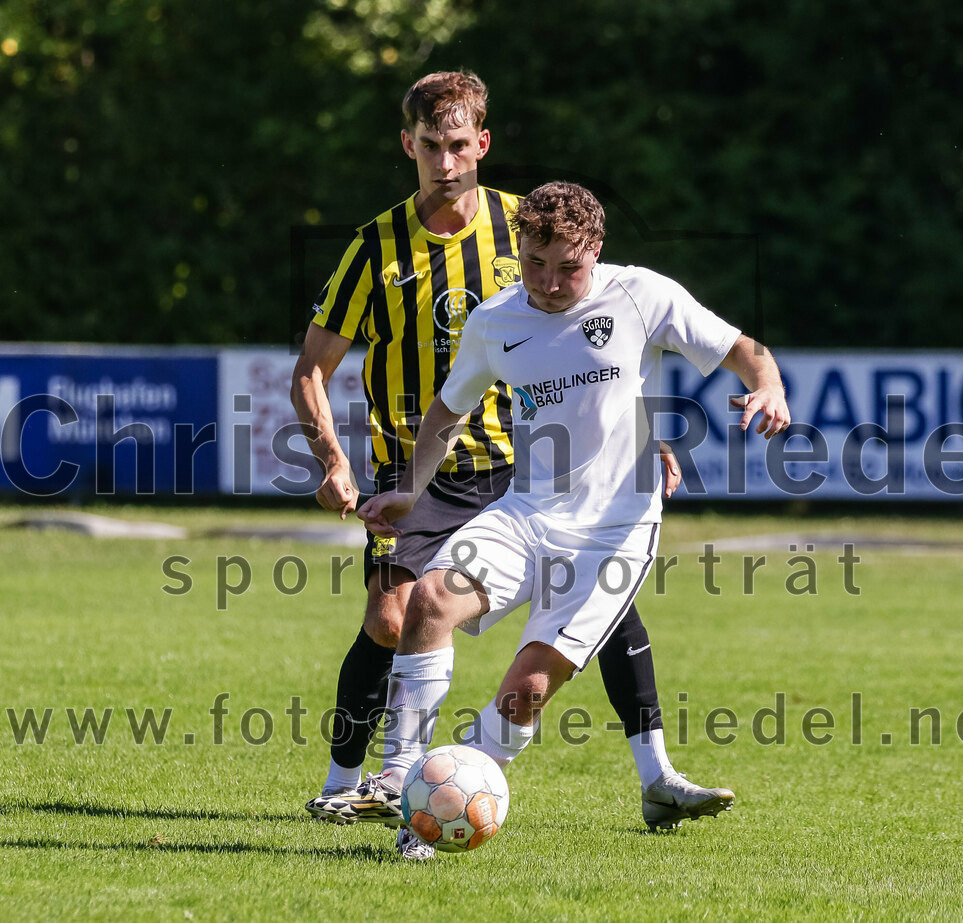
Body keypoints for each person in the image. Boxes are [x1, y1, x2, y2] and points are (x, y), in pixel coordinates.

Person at [291, 72, 692, 859]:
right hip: (419, 466)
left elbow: (607, 332)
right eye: (429, 146)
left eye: (457, 145)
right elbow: (311, 367)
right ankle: (350, 782)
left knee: (606, 602)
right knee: (392, 617)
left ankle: (659, 774)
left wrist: (641, 435)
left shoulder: (527, 226)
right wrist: (332, 460)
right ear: (408, 145)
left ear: (482, 143)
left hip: (525, 466)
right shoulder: (374, 247)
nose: (444, 163)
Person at [324, 181, 791, 837]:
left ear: (595, 248)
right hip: (525, 512)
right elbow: (447, 411)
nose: (548, 282)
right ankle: (403, 782)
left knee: (525, 692)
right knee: (428, 601)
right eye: (534, 263)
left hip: (612, 535)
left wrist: (768, 386)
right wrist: (410, 490)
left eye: (567, 267)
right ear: (518, 249)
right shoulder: (495, 320)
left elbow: (743, 349)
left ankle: (445, 802)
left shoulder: (642, 294)